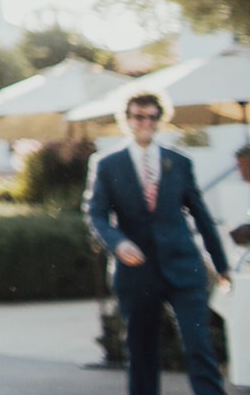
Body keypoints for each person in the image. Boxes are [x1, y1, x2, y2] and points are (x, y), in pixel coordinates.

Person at [86, 92, 231, 395]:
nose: (146, 123)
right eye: (139, 116)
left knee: (198, 347)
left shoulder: (178, 162)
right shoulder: (107, 165)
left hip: (183, 267)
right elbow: (96, 214)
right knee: (142, 354)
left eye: (152, 117)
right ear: (127, 120)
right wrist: (118, 243)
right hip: (137, 273)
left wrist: (221, 266)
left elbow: (201, 215)